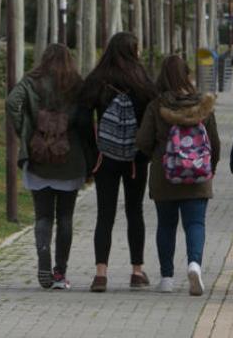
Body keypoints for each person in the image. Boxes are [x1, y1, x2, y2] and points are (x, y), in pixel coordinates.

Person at [6, 44, 96, 291]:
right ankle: (59, 273)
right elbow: (87, 123)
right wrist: (91, 155)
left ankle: (43, 263)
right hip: (71, 158)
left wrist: (24, 129)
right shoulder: (77, 85)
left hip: (39, 157)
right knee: (65, 217)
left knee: (43, 216)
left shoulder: (32, 81)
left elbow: (13, 101)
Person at [80, 33, 158, 293]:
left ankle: (101, 273)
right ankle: (137, 271)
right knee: (134, 212)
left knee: (105, 214)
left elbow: (82, 117)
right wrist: (146, 151)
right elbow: (153, 115)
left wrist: (93, 151)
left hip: (105, 157)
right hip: (136, 159)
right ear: (134, 51)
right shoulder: (142, 81)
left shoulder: (98, 79)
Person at [137, 55, 220, 296]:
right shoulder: (203, 105)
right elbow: (213, 142)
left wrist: (155, 152)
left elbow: (143, 141)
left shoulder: (156, 105)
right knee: (195, 223)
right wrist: (210, 167)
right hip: (198, 173)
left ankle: (166, 278)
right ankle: (194, 264)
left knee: (166, 225)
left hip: (165, 174)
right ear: (188, 75)